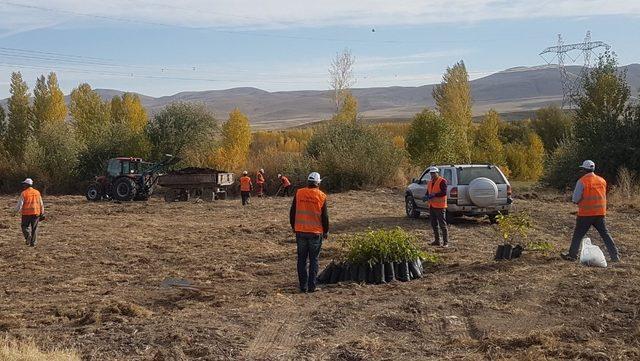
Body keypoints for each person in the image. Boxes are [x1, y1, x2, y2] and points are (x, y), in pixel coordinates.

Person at [561, 160, 620, 262]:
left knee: (578, 235)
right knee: (605, 235)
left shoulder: (582, 181)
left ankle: (572, 255)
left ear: (584, 170)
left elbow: (575, 199)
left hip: (586, 214)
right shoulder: (602, 180)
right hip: (600, 213)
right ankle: (615, 256)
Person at [290, 172, 329, 293]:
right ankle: (312, 287)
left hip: (300, 231)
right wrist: (326, 231)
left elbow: (292, 212)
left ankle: (303, 286)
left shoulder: (299, 193)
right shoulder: (322, 196)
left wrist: (294, 227)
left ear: (308, 182)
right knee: (314, 260)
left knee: (301, 259)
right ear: (318, 183)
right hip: (315, 233)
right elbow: (325, 217)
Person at [422, 166, 449, 247]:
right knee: (434, 224)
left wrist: (435, 195)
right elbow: (428, 191)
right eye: (431, 173)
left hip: (440, 206)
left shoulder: (442, 181)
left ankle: (445, 243)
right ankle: (437, 241)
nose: (433, 174)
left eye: (434, 173)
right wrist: (426, 196)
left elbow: (444, 193)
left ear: (437, 173)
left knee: (442, 225)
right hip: (432, 206)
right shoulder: (430, 182)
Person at [15, 178, 44, 247]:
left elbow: (20, 204)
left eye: (24, 184)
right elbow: (41, 203)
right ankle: (33, 243)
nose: (23, 185)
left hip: (26, 214)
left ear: (27, 185)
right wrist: (42, 212)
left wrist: (15, 212)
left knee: (24, 226)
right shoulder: (37, 192)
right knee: (34, 228)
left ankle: (28, 236)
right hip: (36, 213)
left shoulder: (24, 193)